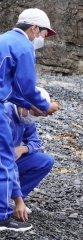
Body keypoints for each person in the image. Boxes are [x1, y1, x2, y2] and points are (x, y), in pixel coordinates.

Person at [0, 9, 60, 233]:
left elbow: (11, 90)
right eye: (44, 33)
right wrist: (45, 106)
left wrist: (29, 106)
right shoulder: (23, 45)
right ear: (34, 27)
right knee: (5, 159)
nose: (42, 39)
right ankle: (2, 218)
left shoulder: (3, 40)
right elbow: (26, 86)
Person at [3, 87, 55, 218]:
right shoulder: (5, 116)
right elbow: (7, 162)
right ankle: (10, 201)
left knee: (45, 160)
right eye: (35, 114)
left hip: (8, 160)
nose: (34, 118)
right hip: (3, 161)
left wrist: (23, 149)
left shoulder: (25, 117)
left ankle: (8, 198)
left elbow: (37, 142)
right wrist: (19, 200)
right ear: (25, 105)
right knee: (9, 163)